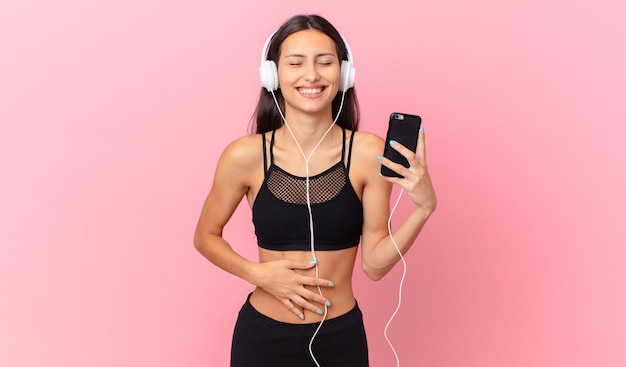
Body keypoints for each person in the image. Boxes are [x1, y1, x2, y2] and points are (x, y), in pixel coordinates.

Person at [193, 14, 437, 367]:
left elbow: (374, 266)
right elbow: (205, 235)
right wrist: (256, 273)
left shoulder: (368, 153)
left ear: (344, 74)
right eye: (296, 63)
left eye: (325, 62)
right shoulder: (244, 156)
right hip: (262, 339)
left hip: (340, 340)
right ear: (273, 76)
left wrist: (423, 208)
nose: (312, 75)